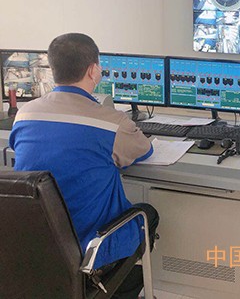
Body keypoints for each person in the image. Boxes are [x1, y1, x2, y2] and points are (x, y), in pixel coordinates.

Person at [9, 33, 159, 299]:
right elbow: (144, 150)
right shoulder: (111, 122)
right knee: (147, 214)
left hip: (38, 245)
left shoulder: (25, 114)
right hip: (90, 249)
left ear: (53, 69)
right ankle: (117, 286)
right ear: (93, 71)